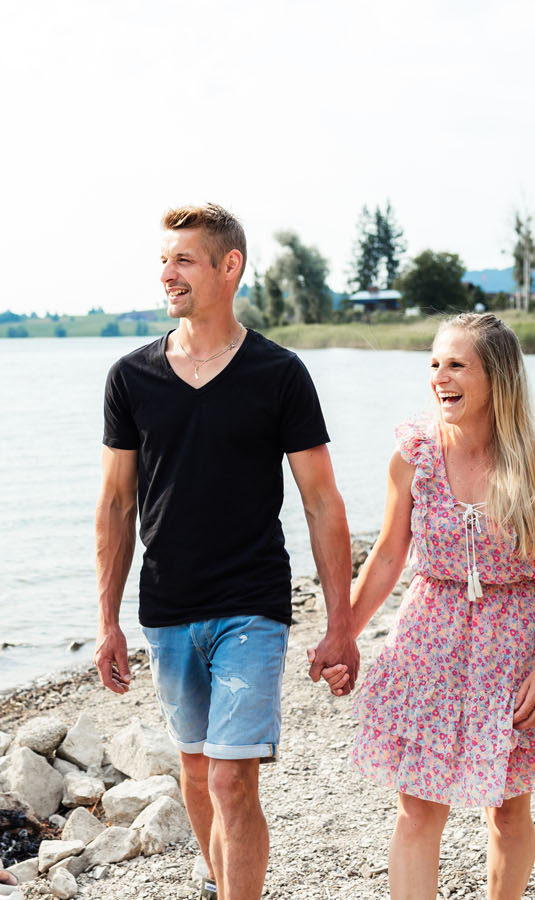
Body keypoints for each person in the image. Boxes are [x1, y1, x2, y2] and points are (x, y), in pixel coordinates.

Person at [94, 203, 359, 900]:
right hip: (167, 605)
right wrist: (107, 621)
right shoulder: (131, 377)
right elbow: (117, 504)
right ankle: (221, 885)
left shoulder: (279, 374)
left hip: (252, 605)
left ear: (229, 266)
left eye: (182, 259)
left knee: (229, 775)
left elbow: (323, 501)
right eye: (163, 259)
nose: (166, 273)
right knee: (195, 771)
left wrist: (341, 625)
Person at [316, 313, 535, 900]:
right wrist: (343, 634)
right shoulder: (412, 456)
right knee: (417, 810)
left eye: (457, 364)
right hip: (428, 644)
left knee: (508, 811)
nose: (440, 377)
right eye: (435, 364)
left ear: (497, 376)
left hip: (517, 648)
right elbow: (389, 557)